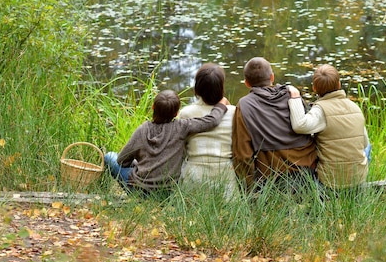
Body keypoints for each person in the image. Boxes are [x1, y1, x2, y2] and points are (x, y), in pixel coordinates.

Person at [104, 89, 229, 196]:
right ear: (176, 113)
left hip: (139, 189)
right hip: (168, 192)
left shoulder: (142, 130)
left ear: (153, 107)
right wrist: (221, 104)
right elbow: (211, 121)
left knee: (109, 156)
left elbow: (122, 161)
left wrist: (138, 164)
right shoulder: (181, 127)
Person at [232, 57, 318, 192]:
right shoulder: (293, 96)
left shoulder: (244, 106)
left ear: (247, 83)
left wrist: (248, 191)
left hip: (273, 180)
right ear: (272, 77)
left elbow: (242, 154)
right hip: (309, 174)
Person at [287, 64, 371, 189]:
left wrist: (294, 97)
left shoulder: (320, 111)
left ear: (314, 88)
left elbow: (300, 125)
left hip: (331, 181)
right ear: (339, 84)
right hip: (358, 178)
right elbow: (364, 144)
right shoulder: (354, 107)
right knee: (368, 146)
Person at [179, 63, 238, 199]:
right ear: (222, 88)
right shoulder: (234, 112)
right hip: (225, 177)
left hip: (194, 177)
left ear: (197, 89)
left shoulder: (186, 113)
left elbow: (182, 150)